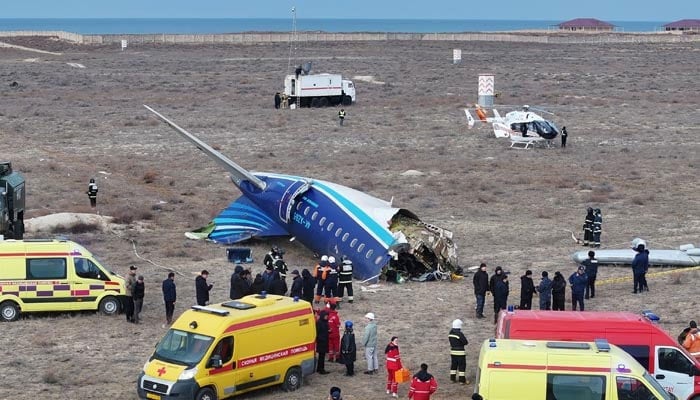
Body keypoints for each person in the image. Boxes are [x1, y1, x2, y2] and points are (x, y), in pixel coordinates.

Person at [448, 319, 468, 384]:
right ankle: (462, 380)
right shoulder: (459, 334)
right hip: (460, 352)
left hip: (453, 351)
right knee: (461, 366)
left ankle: (452, 379)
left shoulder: (450, 333)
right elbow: (465, 342)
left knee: (454, 365)